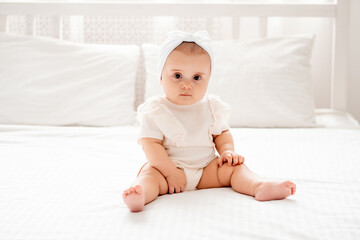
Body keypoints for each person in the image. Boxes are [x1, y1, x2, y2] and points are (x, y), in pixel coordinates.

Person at [123, 31, 296, 212]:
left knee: (235, 168)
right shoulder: (156, 110)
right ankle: (140, 194)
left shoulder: (212, 107)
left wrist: (227, 151)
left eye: (196, 78)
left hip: (206, 170)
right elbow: (151, 145)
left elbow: (222, 133)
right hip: (167, 171)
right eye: (177, 76)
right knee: (149, 176)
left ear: (208, 79)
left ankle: (258, 185)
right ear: (160, 77)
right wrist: (170, 172)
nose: (187, 85)